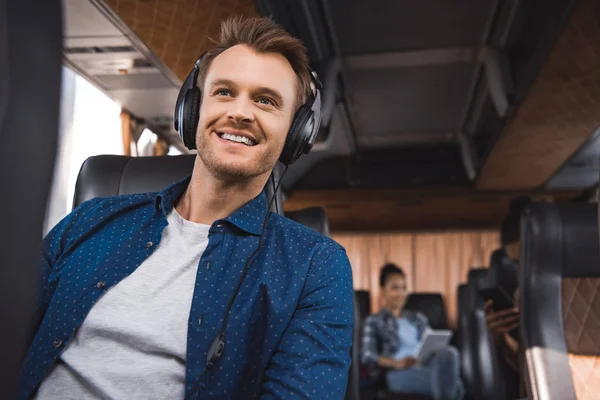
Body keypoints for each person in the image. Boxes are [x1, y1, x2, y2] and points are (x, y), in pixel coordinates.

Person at [18, 16, 354, 400]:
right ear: (191, 111)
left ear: (297, 133)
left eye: (265, 100)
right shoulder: (89, 220)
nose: (241, 112)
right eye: (224, 92)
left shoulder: (315, 266)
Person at [361, 264, 464, 400]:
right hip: (399, 372)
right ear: (383, 291)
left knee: (450, 353)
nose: (401, 293)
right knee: (455, 387)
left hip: (426, 364)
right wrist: (396, 363)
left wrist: (434, 350)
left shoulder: (418, 318)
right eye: (395, 288)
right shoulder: (374, 320)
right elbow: (367, 355)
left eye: (404, 288)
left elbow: (431, 341)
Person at [484, 195, 531, 398]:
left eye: (526, 260)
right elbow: (524, 366)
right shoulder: (520, 295)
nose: (521, 271)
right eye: (515, 263)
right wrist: (501, 337)